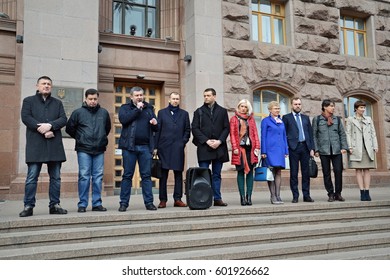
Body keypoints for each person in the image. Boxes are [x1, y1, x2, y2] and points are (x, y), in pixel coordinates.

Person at [19, 76, 68, 217]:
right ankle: (28, 205)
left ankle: (55, 205)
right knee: (32, 177)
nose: (46, 86)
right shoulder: (28, 101)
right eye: (43, 84)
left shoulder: (57, 103)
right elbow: (26, 117)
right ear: (37, 86)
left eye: (48, 84)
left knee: (56, 178)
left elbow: (63, 119)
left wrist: (51, 125)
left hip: (54, 145)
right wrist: (41, 128)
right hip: (36, 144)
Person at [66, 88, 111, 212]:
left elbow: (107, 129)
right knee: (84, 176)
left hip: (99, 149)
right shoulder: (78, 112)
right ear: (85, 99)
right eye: (90, 99)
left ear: (98, 99)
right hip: (83, 149)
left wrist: (100, 138)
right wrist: (80, 137)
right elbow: (69, 129)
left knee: (98, 177)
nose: (93, 101)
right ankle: (82, 204)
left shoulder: (104, 113)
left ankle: (97, 203)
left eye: (95, 99)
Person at [117, 86, 159, 211]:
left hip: (145, 148)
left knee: (146, 176)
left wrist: (155, 123)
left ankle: (149, 203)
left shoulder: (149, 108)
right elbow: (124, 120)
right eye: (137, 95)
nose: (140, 97)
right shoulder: (125, 108)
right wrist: (137, 109)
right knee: (127, 176)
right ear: (131, 97)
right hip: (129, 148)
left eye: (141, 95)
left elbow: (156, 128)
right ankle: (123, 203)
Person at [191, 88, 230, 206]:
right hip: (204, 147)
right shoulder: (198, 111)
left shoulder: (222, 111)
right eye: (204, 96)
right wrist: (206, 141)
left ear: (214, 96)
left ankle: (217, 198)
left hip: (219, 147)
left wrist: (219, 141)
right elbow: (195, 128)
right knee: (204, 175)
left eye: (208, 95)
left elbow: (226, 128)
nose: (206, 98)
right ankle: (205, 199)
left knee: (217, 174)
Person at [155, 92, 191, 208]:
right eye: (173, 99)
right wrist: (155, 147)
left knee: (178, 174)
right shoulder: (161, 113)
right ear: (169, 100)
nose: (175, 100)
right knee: (163, 175)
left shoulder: (184, 114)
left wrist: (182, 142)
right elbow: (157, 130)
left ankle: (177, 199)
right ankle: (163, 200)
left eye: (177, 99)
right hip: (164, 147)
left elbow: (187, 130)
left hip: (178, 148)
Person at [312, 99, 348, 202]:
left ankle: (338, 193)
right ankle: (330, 194)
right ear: (325, 107)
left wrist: (343, 147)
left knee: (338, 172)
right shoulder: (317, 119)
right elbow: (314, 135)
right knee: (326, 173)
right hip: (324, 150)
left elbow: (342, 134)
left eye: (333, 106)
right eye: (331, 106)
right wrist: (316, 149)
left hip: (336, 150)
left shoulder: (337, 119)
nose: (333, 108)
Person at [282, 98, 315, 203]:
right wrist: (286, 148)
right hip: (293, 148)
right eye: (295, 104)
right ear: (291, 105)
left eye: (299, 104)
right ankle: (295, 195)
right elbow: (284, 134)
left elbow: (310, 134)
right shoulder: (286, 117)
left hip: (305, 147)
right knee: (294, 173)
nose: (297, 106)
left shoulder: (305, 118)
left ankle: (306, 195)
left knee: (306, 173)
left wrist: (312, 148)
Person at [346, 100, 378, 201]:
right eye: (361, 107)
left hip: (367, 147)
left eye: (364, 107)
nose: (363, 109)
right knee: (358, 170)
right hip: (356, 147)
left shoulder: (368, 119)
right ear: (356, 108)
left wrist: (375, 146)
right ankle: (362, 192)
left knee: (367, 169)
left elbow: (373, 133)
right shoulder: (351, 119)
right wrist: (350, 147)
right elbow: (348, 133)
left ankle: (367, 192)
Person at [230, 99, 260, 206]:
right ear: (238, 107)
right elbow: (233, 134)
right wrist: (234, 147)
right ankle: (242, 197)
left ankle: (249, 197)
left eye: (245, 107)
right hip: (239, 149)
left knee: (250, 172)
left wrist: (257, 146)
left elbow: (255, 134)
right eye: (241, 106)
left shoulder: (251, 120)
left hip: (250, 149)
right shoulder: (234, 119)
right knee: (241, 172)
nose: (243, 108)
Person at [261, 101, 289, 204]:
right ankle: (272, 196)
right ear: (270, 110)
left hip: (280, 150)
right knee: (271, 172)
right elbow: (263, 136)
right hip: (270, 150)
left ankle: (278, 195)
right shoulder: (265, 121)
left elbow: (284, 136)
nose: (277, 110)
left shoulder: (281, 121)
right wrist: (263, 151)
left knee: (278, 172)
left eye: (278, 108)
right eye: (275, 108)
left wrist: (286, 150)